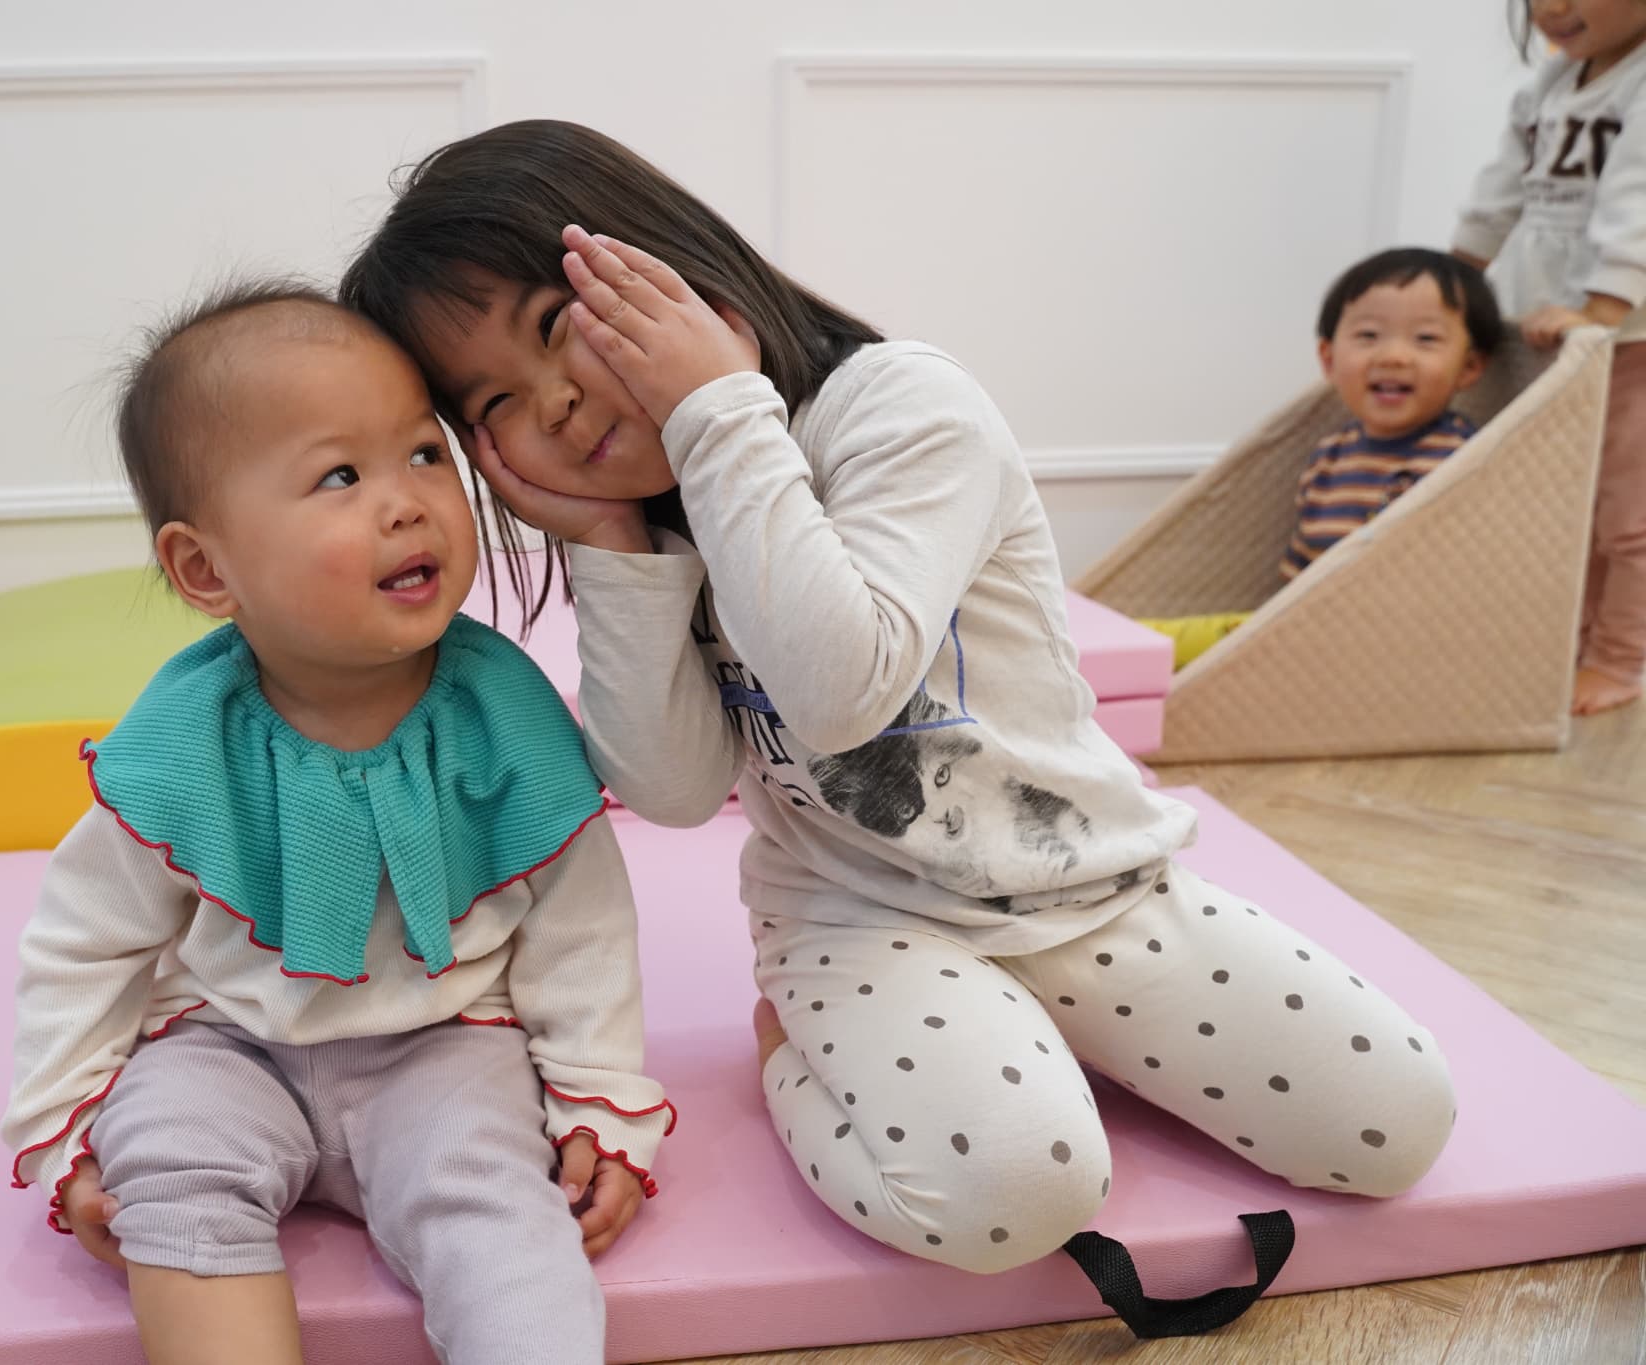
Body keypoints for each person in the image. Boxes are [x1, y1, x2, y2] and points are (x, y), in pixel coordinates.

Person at [340, 120, 1456, 1275]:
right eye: (493, 404)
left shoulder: (897, 406)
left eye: (553, 327)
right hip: (855, 916)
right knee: (1018, 1193)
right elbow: (671, 793)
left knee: (1391, 1123)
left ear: (662, 255)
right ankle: (793, 1047)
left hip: (1085, 882)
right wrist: (613, 547)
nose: (553, 406)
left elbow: (840, 690)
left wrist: (718, 411)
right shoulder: (650, 523)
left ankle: (1026, 1031)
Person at [1, 279, 671, 1365]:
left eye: (424, 453)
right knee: (164, 1174)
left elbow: (578, 922)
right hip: (224, 1042)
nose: (407, 502)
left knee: (500, 1208)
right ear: (206, 568)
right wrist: (63, 1123)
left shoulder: (502, 713)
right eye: (340, 477)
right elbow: (87, 939)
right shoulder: (183, 739)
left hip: (449, 1045)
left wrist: (599, 1096)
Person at [1141, 248, 1502, 669]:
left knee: (1176, 646)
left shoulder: (1460, 458)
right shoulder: (1331, 454)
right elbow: (1301, 560)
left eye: (1425, 339)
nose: (1393, 356)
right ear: (1328, 359)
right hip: (1307, 631)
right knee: (1166, 641)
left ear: (1469, 367)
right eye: (1368, 336)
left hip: (1388, 644)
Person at [1456, 0, 1646, 714]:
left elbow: (1639, 208)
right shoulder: (1551, 85)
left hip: (1625, 339)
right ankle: (1566, 641)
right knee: (1562, 504)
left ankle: (1620, 660)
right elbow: (1499, 191)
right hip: (1552, 333)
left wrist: (1602, 315)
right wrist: (1452, 282)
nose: (1552, 8)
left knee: (1627, 516)